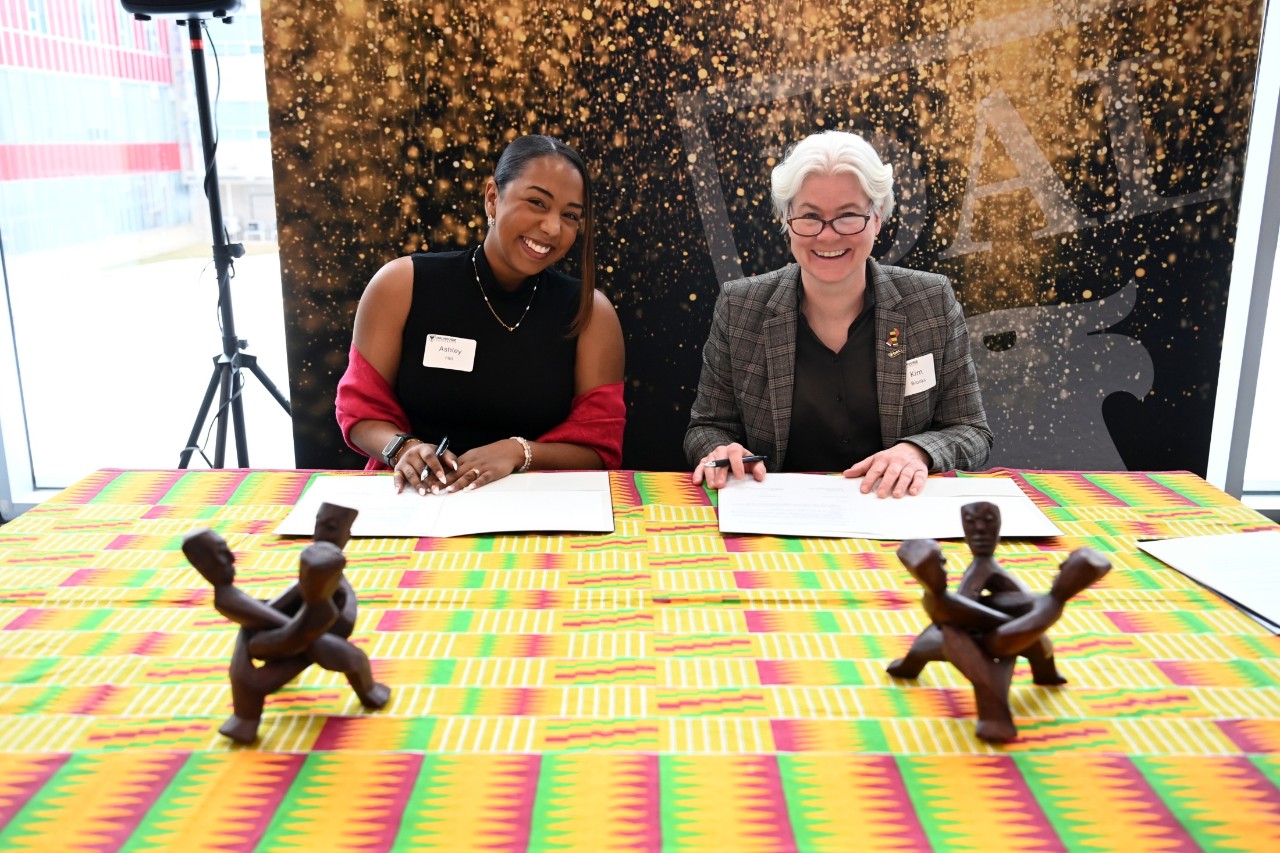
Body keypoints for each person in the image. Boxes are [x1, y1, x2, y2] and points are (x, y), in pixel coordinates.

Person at [685, 130, 992, 498]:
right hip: (777, 520)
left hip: (893, 512)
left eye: (848, 217)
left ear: (877, 219)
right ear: (787, 222)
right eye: (810, 217)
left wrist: (919, 452)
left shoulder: (929, 300)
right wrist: (722, 450)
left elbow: (971, 430)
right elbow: (705, 427)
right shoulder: (740, 306)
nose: (828, 236)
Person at [337, 134, 626, 495]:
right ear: (492, 197)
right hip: (419, 498)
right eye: (537, 202)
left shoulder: (590, 312)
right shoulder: (400, 285)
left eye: (570, 215)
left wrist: (518, 452)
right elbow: (359, 411)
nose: (553, 227)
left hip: (536, 506)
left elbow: (600, 448)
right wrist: (403, 447)